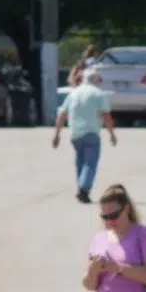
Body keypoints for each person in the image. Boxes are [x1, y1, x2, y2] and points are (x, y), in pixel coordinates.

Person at [49, 58, 116, 202]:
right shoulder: (99, 94)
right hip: (91, 133)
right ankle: (84, 189)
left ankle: (81, 186)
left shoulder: (73, 94)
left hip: (75, 134)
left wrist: (57, 135)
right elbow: (105, 115)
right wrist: (112, 134)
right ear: (95, 80)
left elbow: (62, 114)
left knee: (80, 162)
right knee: (90, 163)